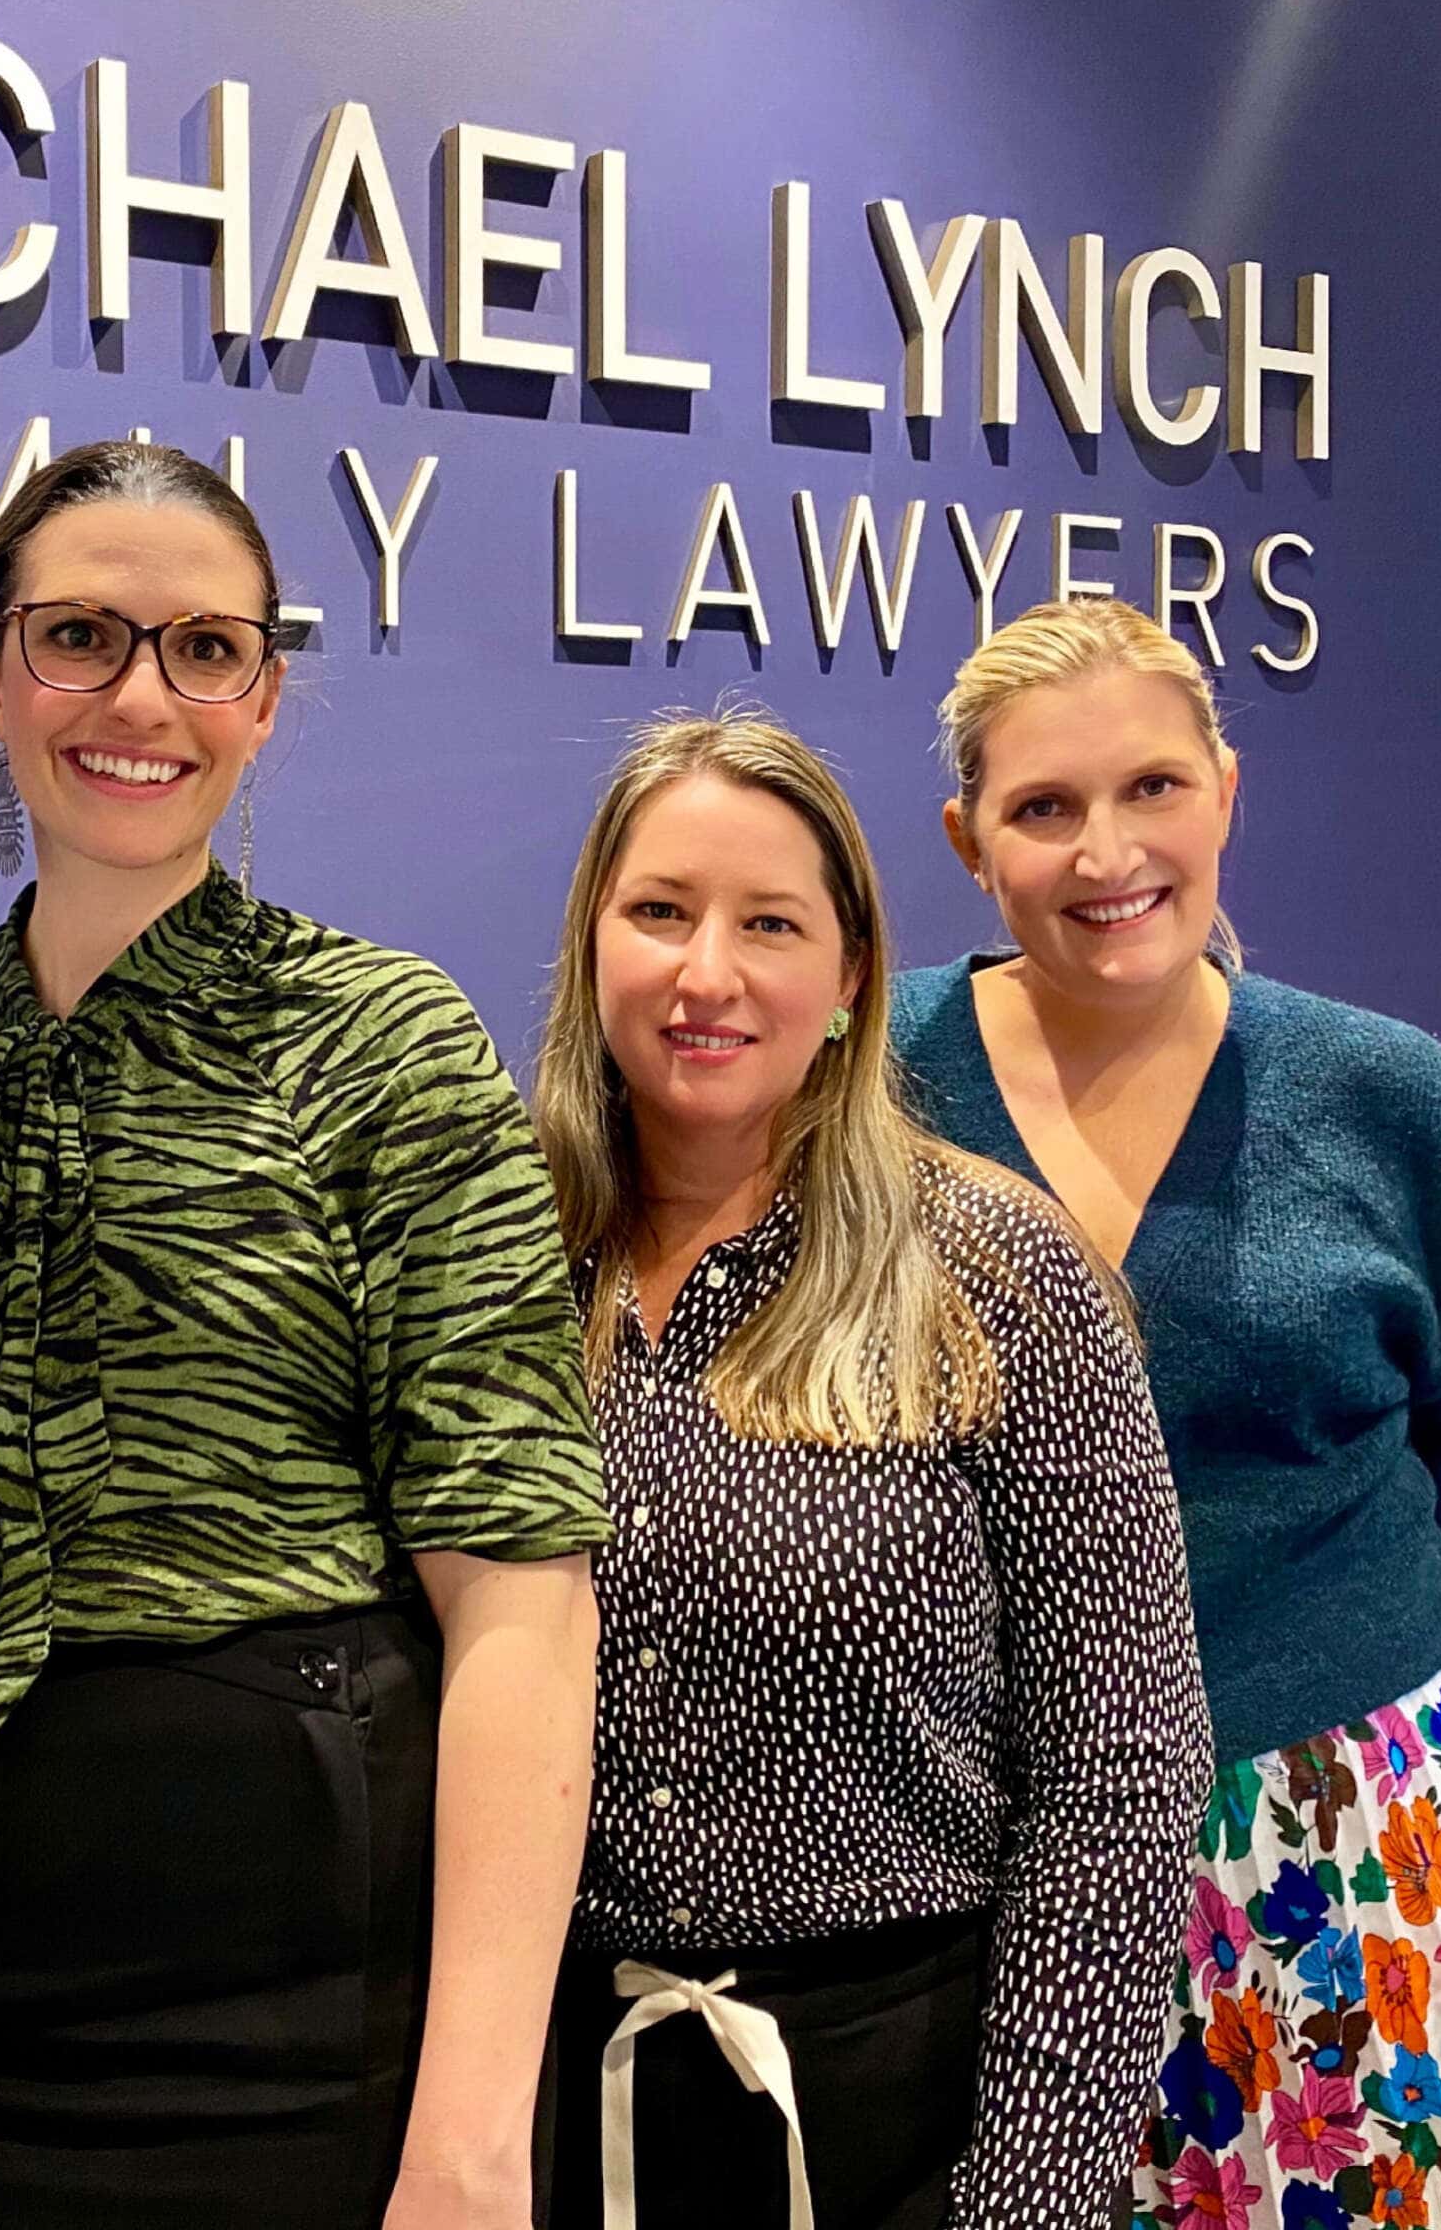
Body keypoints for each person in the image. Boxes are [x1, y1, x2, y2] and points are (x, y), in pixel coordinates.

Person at [0, 440, 610, 2230]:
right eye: (81, 636)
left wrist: (476, 2136)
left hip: (300, 1982)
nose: (140, 698)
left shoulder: (385, 1042)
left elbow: (519, 1593)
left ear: (266, 700)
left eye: (206, 650)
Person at [534, 709, 1209, 2230]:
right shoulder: (491, 1260)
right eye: (659, 913)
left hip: (899, 2112)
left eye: (770, 923)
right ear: (592, 947)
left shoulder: (997, 1274)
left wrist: (1028, 2195)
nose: (708, 973)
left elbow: (1121, 1777)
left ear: (849, 981)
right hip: (538, 2100)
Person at [896, 596, 1441, 2228]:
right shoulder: (862, 1092)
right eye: (1044, 808)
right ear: (967, 839)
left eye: (1154, 788)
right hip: (973, 1849)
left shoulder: (1401, 1101)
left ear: (1227, 788)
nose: (1109, 854)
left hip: (1348, 1843)